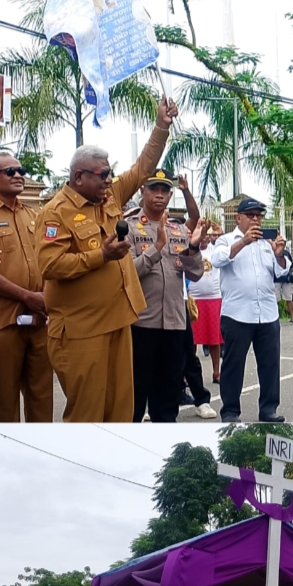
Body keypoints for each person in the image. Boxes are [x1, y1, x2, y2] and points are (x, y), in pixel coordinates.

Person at [36, 97, 179, 422]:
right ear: (77, 177)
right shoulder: (55, 214)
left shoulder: (109, 197)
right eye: (102, 174)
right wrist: (100, 255)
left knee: (120, 413)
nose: (108, 179)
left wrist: (161, 127)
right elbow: (50, 266)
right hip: (81, 331)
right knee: (87, 416)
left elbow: (142, 168)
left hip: (118, 321)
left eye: (109, 173)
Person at [0, 154, 54, 423]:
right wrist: (27, 296)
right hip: (5, 322)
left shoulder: (33, 215)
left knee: (42, 399)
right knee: (5, 402)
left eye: (21, 170)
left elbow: (48, 261)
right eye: (10, 171)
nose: (18, 175)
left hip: (39, 319)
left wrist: (43, 299)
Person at [125, 170, 207, 422]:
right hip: (141, 323)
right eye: (153, 189)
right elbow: (128, 274)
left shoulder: (178, 229)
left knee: (167, 396)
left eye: (164, 190)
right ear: (143, 191)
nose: (159, 195)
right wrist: (157, 247)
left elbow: (195, 274)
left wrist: (192, 247)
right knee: (136, 396)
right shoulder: (128, 228)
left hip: (173, 323)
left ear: (170, 194)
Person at [210, 197, 290, 423]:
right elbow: (217, 260)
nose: (256, 219)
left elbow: (282, 273)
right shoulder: (226, 240)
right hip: (237, 314)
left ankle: (268, 409)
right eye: (251, 215)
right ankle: (231, 411)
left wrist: (279, 254)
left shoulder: (267, 242)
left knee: (270, 364)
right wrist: (243, 242)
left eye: (259, 215)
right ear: (238, 218)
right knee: (234, 364)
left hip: (267, 312)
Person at [190, 224, 223, 385]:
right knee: (191, 341)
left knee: (214, 339)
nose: (204, 238)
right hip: (194, 299)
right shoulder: (191, 249)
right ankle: (187, 375)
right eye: (201, 235)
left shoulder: (215, 250)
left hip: (213, 298)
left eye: (206, 235)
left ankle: (217, 372)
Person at [274, 247, 293, 322]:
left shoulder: (286, 253)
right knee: (275, 299)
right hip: (276, 279)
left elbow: (291, 265)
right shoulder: (272, 252)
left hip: (286, 279)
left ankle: (292, 317)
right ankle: (275, 317)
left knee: (289, 298)